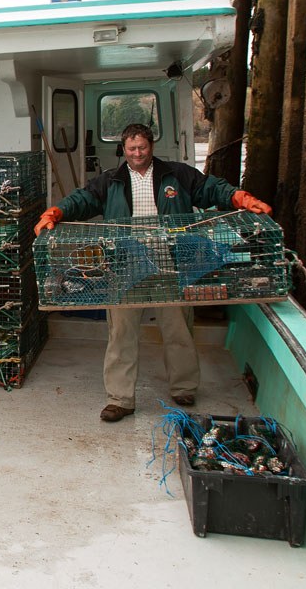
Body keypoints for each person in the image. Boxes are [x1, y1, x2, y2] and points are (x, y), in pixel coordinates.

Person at [34, 123, 271, 422]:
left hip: (170, 265)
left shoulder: (177, 175)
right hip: (126, 267)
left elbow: (211, 188)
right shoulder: (111, 181)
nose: (137, 153)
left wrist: (240, 198)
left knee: (178, 329)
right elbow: (81, 199)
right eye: (131, 149)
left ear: (151, 147)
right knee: (121, 334)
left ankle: (184, 387)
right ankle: (120, 400)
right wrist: (56, 212)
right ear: (124, 149)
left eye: (142, 148)